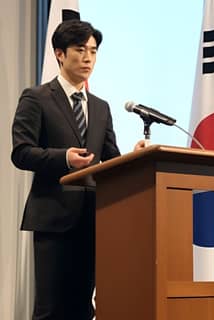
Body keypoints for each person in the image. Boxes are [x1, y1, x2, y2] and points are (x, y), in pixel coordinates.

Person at [11, 19, 144, 319]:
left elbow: (111, 160)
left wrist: (135, 159)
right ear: (60, 54)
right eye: (80, 50)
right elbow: (21, 152)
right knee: (50, 310)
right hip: (53, 219)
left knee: (83, 309)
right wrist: (65, 159)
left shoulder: (100, 107)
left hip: (93, 220)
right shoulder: (36, 98)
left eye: (93, 52)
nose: (88, 58)